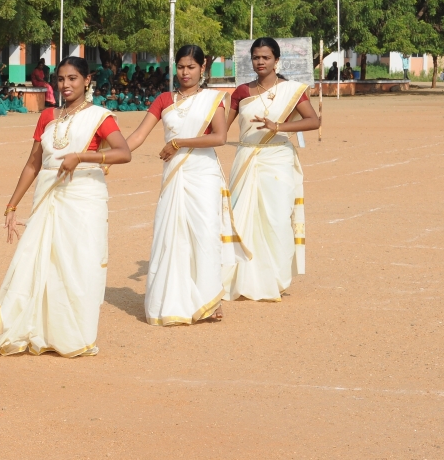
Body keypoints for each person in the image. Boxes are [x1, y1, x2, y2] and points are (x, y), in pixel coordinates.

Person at [0, 56, 132, 357]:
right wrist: (12, 204)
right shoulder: (48, 116)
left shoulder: (99, 117)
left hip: (83, 196)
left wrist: (82, 157)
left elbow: (123, 152)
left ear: (87, 80)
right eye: (61, 79)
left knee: (78, 263)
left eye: (73, 79)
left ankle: (72, 335)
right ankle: (39, 329)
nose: (66, 85)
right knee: (42, 260)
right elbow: (33, 163)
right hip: (48, 195)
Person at [126, 45, 246, 325]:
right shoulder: (163, 99)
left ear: (202, 68)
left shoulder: (213, 99)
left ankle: (209, 301)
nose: (185, 72)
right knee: (172, 236)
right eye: (180, 67)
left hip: (202, 174)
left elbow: (219, 137)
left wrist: (179, 142)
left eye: (191, 67)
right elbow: (139, 135)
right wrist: (107, 156)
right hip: (175, 177)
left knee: (204, 235)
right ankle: (171, 301)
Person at [223, 37, 320, 302]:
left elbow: (313, 121)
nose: (260, 62)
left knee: (276, 220)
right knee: (242, 219)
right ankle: (242, 279)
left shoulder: (292, 91)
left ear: (277, 60)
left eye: (265, 57)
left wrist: (279, 127)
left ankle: (274, 280)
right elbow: (220, 129)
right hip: (246, 160)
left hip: (278, 159)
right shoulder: (242, 92)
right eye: (256, 57)